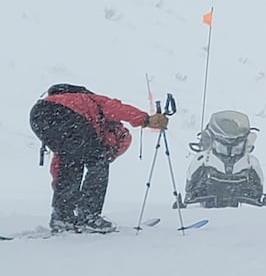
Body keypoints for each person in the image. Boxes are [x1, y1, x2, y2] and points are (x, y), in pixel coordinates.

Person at [29, 84, 170, 234]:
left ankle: (62, 217)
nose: (110, 153)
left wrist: (63, 193)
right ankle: (88, 216)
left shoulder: (77, 108)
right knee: (98, 160)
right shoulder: (98, 106)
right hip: (65, 114)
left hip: (38, 115)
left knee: (71, 161)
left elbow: (59, 165)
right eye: (113, 149)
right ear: (115, 135)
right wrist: (146, 120)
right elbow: (118, 109)